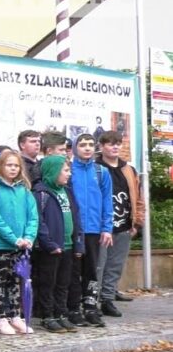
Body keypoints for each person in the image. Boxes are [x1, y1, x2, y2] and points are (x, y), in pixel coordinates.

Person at [0, 150, 39, 335]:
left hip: (21, 244)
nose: (13, 168)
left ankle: (16, 316)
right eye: (9, 165)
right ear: (0, 166)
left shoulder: (24, 190)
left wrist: (29, 237)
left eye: (16, 165)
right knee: (0, 281)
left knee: (16, 281)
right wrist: (13, 238)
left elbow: (33, 216)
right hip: (1, 244)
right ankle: (1, 317)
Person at [32, 155, 84, 333]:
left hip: (68, 246)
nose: (69, 174)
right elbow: (39, 221)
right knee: (48, 282)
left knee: (64, 283)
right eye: (66, 170)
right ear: (53, 171)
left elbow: (76, 218)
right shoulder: (41, 193)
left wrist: (79, 244)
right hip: (51, 248)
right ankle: (48, 315)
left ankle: (61, 313)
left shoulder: (67, 191)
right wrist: (49, 243)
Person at [96, 131, 144, 317]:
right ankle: (94, 299)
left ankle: (108, 299)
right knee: (99, 265)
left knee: (115, 265)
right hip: (102, 227)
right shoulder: (96, 168)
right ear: (102, 146)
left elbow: (138, 198)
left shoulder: (128, 170)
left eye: (118, 143)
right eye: (110, 143)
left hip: (124, 224)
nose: (115, 147)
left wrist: (137, 222)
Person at [67, 134, 112, 328]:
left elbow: (107, 201)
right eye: (82, 145)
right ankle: (73, 308)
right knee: (73, 271)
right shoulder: (69, 170)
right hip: (74, 229)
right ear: (75, 147)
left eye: (90, 145)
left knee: (92, 270)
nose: (87, 148)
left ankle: (91, 307)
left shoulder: (101, 172)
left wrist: (107, 228)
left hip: (93, 229)